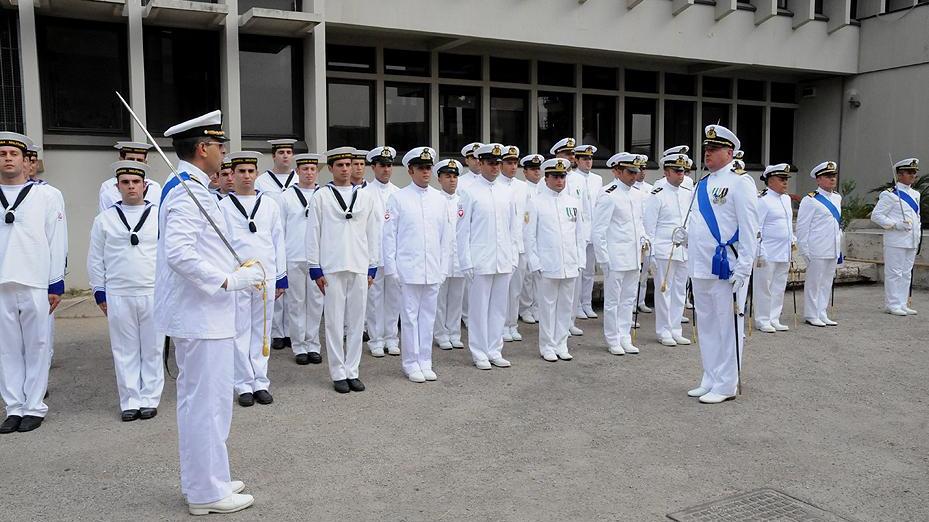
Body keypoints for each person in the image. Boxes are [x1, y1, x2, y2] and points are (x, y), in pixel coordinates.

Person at [157, 111, 260, 514]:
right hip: (202, 314)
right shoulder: (189, 192)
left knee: (203, 403)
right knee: (208, 405)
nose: (224, 154)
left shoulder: (190, 185)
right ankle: (206, 493)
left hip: (203, 315)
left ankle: (205, 478)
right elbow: (180, 254)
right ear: (203, 149)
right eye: (220, 146)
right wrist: (228, 281)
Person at [683, 125, 758, 405]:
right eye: (706, 149)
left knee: (728, 326)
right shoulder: (701, 184)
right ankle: (711, 376)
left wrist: (745, 267)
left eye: (713, 149)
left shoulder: (740, 182)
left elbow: (750, 228)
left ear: (730, 152)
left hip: (728, 266)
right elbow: (698, 223)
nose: (708, 154)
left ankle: (727, 383)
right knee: (707, 325)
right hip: (701, 265)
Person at [0, 131, 67, 434]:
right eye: (2, 154)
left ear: (25, 160)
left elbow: (56, 240)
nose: (8, 159)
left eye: (13, 154)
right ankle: (13, 407)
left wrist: (56, 283)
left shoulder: (47, 195)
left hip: (35, 280)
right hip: (2, 281)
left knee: (38, 345)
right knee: (7, 349)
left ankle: (34, 406)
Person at [87, 160, 163, 422]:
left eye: (136, 182)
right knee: (124, 349)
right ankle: (130, 400)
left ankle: (150, 399)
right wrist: (99, 291)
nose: (131, 187)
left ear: (145, 185)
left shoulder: (158, 214)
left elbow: (167, 255)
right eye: (125, 183)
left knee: (152, 348)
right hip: (119, 292)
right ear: (117, 187)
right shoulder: (104, 219)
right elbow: (96, 258)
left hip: (152, 290)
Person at [307, 147, 380, 394]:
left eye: (349, 164)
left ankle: (353, 370)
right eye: (340, 165)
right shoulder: (321, 196)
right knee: (334, 323)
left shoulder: (366, 196)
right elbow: (313, 233)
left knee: (357, 322)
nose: (346, 169)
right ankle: (338, 372)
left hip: (359, 265)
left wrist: (373, 265)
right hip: (332, 266)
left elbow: (373, 232)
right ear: (331, 168)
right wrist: (314, 267)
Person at [219, 151, 287, 408]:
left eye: (250, 171)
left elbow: (278, 241)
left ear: (256, 174)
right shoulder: (223, 206)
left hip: (265, 276)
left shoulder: (269, 204)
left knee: (263, 330)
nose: (246, 176)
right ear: (232, 175)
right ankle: (243, 383)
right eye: (241, 172)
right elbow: (220, 246)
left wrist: (280, 277)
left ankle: (260, 381)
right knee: (240, 330)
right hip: (239, 278)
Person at [383, 147, 452, 382]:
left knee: (428, 317)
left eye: (428, 168)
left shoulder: (439, 200)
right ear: (410, 170)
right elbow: (389, 236)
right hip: (408, 268)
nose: (425, 172)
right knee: (410, 318)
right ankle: (411, 362)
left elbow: (446, 239)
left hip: (432, 268)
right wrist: (391, 268)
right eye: (421, 168)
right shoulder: (399, 198)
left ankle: (426, 360)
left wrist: (443, 269)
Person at [457, 143, 518, 370]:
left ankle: (495, 349)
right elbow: (462, 231)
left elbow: (513, 228)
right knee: (479, 309)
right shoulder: (469, 192)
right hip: (480, 259)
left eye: (498, 163)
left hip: (503, 258)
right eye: (490, 163)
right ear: (480, 163)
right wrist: (466, 261)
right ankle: (479, 351)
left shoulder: (507, 191)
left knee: (499, 308)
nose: (495, 168)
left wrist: (513, 257)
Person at [525, 158, 586, 362]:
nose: (560, 180)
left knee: (566, 307)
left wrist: (580, 261)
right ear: (547, 178)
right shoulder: (535, 202)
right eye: (556, 176)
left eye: (563, 176)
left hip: (569, 263)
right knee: (547, 307)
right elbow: (529, 236)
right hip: (547, 264)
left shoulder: (573, 203)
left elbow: (579, 235)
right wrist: (535, 263)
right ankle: (547, 345)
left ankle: (562, 343)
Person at [592, 152, 649, 356]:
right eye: (630, 171)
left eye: (636, 171)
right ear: (617, 171)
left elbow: (639, 223)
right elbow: (598, 231)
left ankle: (625, 336)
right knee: (613, 301)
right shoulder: (609, 194)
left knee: (628, 300)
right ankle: (613, 338)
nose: (634, 176)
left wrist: (644, 239)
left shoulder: (637, 195)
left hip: (633, 257)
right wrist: (604, 260)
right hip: (615, 257)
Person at [643, 152, 693, 347]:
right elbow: (650, 227)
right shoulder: (657, 195)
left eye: (682, 171)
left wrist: (688, 235)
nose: (681, 174)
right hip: (664, 249)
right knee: (664, 290)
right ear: (666, 172)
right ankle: (664, 331)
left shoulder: (688, 194)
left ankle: (675, 329)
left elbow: (692, 219)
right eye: (676, 171)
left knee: (680, 290)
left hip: (683, 249)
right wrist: (652, 253)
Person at [280, 153, 324, 365]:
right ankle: (299, 346)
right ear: (297, 171)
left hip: (318, 258)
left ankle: (313, 343)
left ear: (317, 172)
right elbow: (280, 230)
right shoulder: (286, 197)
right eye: (304, 169)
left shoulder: (324, 195)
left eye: (312, 169)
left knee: (316, 302)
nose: (308, 173)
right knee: (296, 303)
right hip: (294, 255)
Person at [255, 139, 296, 351]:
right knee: (276, 286)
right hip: (272, 238)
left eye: (289, 152)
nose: (285, 156)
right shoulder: (262, 182)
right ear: (274, 156)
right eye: (281, 152)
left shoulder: (299, 178)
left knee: (293, 290)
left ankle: (290, 331)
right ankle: (277, 333)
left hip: (295, 239)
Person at [870, 158, 922, 316]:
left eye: (914, 172)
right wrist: (895, 224)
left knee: (906, 273)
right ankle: (892, 304)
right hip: (896, 240)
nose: (913, 175)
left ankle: (902, 303)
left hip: (911, 239)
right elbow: (876, 216)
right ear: (899, 175)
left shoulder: (915, 194)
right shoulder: (889, 195)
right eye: (910, 172)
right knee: (894, 273)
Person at [364, 146, 401, 357]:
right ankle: (376, 339)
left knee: (393, 298)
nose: (386, 169)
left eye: (389, 165)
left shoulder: (398, 193)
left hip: (394, 256)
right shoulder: (363, 194)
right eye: (382, 165)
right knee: (375, 299)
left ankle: (391, 338)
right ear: (373, 167)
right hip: (374, 256)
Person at [796, 161, 843, 327]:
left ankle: (822, 312)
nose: (832, 179)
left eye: (833, 176)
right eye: (828, 176)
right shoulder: (810, 200)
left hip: (833, 246)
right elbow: (802, 228)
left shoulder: (837, 197)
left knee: (826, 283)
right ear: (818, 179)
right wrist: (804, 251)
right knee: (814, 283)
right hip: (816, 248)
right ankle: (811, 313)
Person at [551, 137, 590, 336]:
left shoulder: (578, 179)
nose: (571, 157)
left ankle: (570, 321)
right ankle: (555, 329)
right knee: (554, 294)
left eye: (572, 154)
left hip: (574, 233)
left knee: (572, 290)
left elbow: (584, 210)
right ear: (557, 156)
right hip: (555, 242)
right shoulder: (548, 180)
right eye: (567, 154)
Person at [753, 163, 797, 332]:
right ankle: (762, 319)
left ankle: (774, 317)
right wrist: (759, 251)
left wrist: (792, 239)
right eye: (781, 179)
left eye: (786, 179)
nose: (785, 182)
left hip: (783, 250)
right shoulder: (763, 200)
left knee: (779, 286)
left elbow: (786, 223)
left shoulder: (786, 199)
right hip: (767, 251)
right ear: (770, 181)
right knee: (764, 286)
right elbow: (757, 227)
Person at [433, 159, 466, 350]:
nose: (452, 180)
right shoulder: (435, 200)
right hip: (441, 258)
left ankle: (454, 332)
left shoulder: (463, 200)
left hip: (459, 257)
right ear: (439, 179)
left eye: (454, 177)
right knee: (440, 299)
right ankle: (441, 334)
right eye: (447, 176)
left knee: (456, 298)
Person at [499, 145, 528, 342]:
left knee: (516, 289)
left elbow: (528, 217)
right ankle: (500, 326)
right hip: (502, 246)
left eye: (515, 163)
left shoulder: (523, 187)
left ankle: (512, 324)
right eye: (508, 163)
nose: (513, 166)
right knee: (502, 291)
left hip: (520, 244)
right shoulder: (496, 186)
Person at [572, 145, 602, 320]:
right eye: (584, 159)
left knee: (590, 270)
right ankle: (576, 305)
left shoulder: (597, 179)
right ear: (577, 160)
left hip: (593, 228)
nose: (588, 162)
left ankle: (586, 303)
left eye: (590, 159)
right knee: (579, 270)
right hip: (579, 230)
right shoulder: (572, 177)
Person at [518, 154, 544, 324]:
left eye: (538, 169)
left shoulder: (543, 188)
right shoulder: (522, 189)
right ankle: (525, 308)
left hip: (541, 235)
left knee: (539, 275)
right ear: (525, 172)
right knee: (527, 275)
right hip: (526, 234)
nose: (537, 172)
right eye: (533, 169)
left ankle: (536, 307)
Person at [99, 141, 161, 213]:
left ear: (145, 162)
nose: (135, 163)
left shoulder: (155, 187)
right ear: (121, 160)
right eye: (131, 159)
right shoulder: (108, 186)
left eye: (139, 160)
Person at [634, 155, 655, 315]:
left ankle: (641, 301)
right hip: (635, 234)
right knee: (635, 271)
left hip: (647, 234)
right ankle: (632, 302)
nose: (642, 171)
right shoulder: (630, 188)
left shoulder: (651, 188)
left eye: (644, 168)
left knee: (644, 271)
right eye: (639, 168)